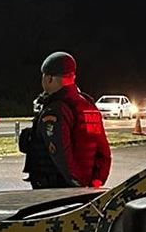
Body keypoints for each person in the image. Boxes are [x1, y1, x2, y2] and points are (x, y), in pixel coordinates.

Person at [18, 51, 111, 190]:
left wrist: (76, 183)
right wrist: (96, 181)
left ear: (49, 78)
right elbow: (103, 150)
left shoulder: (56, 109)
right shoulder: (87, 105)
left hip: (57, 189)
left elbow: (60, 153)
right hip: (86, 188)